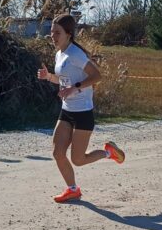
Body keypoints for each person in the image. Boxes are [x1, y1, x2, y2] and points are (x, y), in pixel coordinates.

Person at [37, 13, 125, 202]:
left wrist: (74, 88)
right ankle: (73, 189)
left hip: (83, 112)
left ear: (68, 34)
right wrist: (49, 77)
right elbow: (63, 80)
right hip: (67, 110)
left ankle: (109, 152)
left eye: (57, 32)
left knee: (78, 160)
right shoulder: (59, 54)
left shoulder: (76, 54)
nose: (53, 36)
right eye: (51, 32)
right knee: (58, 153)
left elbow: (96, 76)